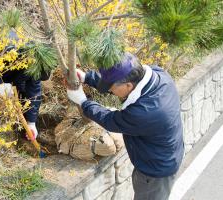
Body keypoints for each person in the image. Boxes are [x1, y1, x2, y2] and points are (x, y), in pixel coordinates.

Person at [67, 52, 184, 200]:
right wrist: (87, 77)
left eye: (111, 87)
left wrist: (83, 102)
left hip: (155, 172)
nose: (109, 90)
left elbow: (110, 120)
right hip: (166, 152)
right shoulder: (158, 75)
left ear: (129, 85)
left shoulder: (145, 113)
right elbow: (115, 83)